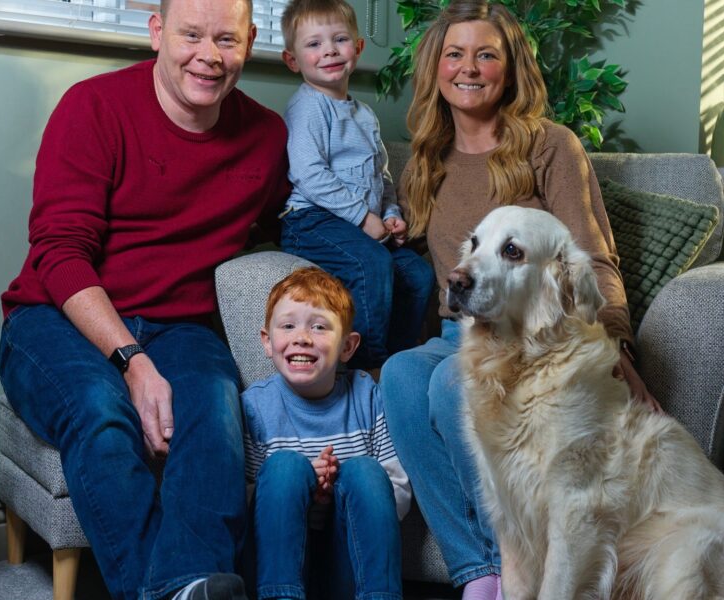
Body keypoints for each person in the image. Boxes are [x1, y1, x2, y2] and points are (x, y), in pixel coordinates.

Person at [0, 0, 290, 598]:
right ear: (157, 34)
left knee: (212, 411)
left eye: (227, 40)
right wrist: (132, 361)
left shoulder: (266, 136)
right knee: (100, 412)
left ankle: (189, 585)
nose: (209, 56)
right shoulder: (93, 106)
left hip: (181, 325)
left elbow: (281, 224)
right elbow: (59, 253)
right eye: (191, 36)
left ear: (251, 40)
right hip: (54, 317)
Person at [379, 1, 660, 598]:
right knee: (403, 375)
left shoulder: (551, 147)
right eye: (454, 54)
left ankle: (515, 570)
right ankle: (478, 573)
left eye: (487, 54)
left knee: (446, 387)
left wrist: (617, 353)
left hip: (538, 339)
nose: (469, 67)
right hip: (462, 335)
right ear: (435, 68)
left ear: (511, 70)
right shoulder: (423, 161)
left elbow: (592, 256)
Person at [277, 0, 435, 370]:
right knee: (371, 263)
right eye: (314, 44)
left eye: (339, 39)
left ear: (358, 48)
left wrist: (391, 214)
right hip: (311, 222)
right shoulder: (308, 107)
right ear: (293, 60)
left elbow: (382, 176)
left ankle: (400, 362)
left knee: (417, 272)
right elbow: (308, 173)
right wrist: (364, 219)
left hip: (362, 222)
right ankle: (367, 365)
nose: (329, 50)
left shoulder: (365, 114)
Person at [242, 267, 410, 599]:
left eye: (319, 327)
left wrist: (338, 491)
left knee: (364, 471)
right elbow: (242, 502)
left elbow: (399, 492)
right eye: (288, 326)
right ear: (267, 341)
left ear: (347, 347)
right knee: (286, 468)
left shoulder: (366, 394)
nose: (301, 337)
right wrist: (305, 483)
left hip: (349, 561)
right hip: (279, 565)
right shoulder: (255, 406)